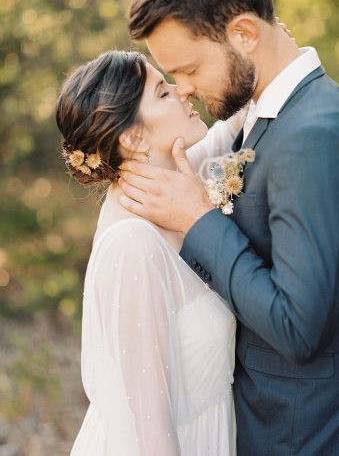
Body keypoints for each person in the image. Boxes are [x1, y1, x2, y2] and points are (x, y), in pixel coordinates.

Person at [119, 0, 339, 455]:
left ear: (244, 33)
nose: (181, 89)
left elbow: (298, 327)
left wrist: (199, 220)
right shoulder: (265, 113)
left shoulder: (317, 135)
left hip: (314, 437)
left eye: (186, 70)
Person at [56, 49, 247, 455]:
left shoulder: (172, 182)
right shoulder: (132, 244)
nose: (184, 92)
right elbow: (147, 431)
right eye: (163, 92)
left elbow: (230, 131)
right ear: (132, 137)